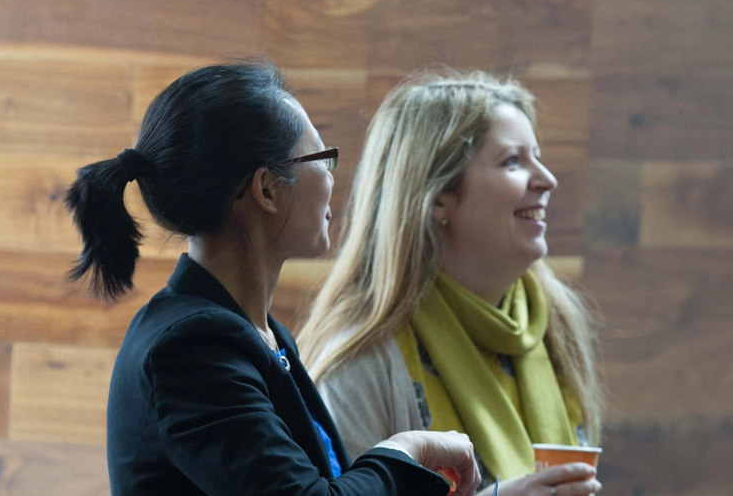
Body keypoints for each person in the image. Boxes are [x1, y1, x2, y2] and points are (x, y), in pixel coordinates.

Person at [65, 60, 480, 495]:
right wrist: (405, 451)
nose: (331, 177)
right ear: (266, 190)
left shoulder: (256, 333)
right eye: (321, 158)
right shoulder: (190, 346)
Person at [296, 70, 604, 496]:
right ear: (438, 196)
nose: (547, 179)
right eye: (513, 161)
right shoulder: (358, 364)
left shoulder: (557, 323)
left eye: (537, 155)